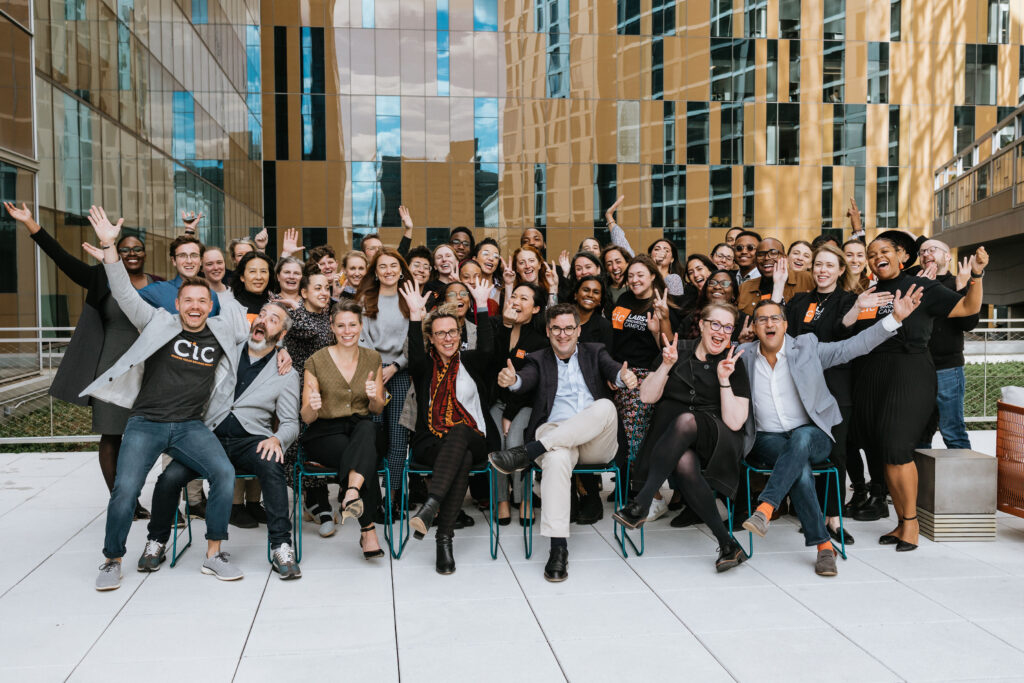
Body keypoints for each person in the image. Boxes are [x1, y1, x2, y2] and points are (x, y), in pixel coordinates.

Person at [81, 206, 252, 591]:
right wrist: (110, 251)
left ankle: (214, 555)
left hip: (191, 427)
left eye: (202, 302)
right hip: (147, 423)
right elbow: (124, 293)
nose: (194, 307)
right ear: (177, 304)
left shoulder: (223, 331)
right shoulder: (157, 321)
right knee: (125, 490)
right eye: (188, 301)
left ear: (211, 306)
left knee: (223, 474)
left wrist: (283, 350)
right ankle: (112, 559)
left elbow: (260, 334)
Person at [738, 292, 920, 576]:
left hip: (813, 436)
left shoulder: (807, 347)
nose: (769, 323)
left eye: (775, 318)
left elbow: (852, 347)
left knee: (799, 442)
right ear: (754, 327)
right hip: (767, 439)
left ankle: (765, 509)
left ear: (786, 325)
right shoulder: (743, 356)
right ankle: (824, 546)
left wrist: (894, 318)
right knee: (797, 467)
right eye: (762, 319)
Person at [4, 201, 163, 520]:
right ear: (118, 250)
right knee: (112, 435)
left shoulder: (160, 285)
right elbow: (61, 259)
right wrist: (31, 225)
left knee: (144, 438)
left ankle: (134, 496)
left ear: (145, 255)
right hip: (111, 369)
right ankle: (123, 502)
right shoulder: (100, 278)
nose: (132, 253)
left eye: (138, 249)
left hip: (148, 372)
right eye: (126, 248)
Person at [141, 302, 301, 579]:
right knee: (170, 476)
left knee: (272, 466)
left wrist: (277, 439)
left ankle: (281, 545)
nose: (263, 321)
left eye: (273, 319)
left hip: (251, 440)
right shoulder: (225, 348)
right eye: (261, 314)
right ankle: (156, 541)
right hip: (207, 438)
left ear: (282, 334)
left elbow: (290, 423)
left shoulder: (287, 373)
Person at [850, 238, 988, 552]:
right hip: (873, 375)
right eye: (872, 255)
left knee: (899, 450)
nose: (876, 257)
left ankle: (911, 523)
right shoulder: (869, 293)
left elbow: (968, 308)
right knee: (885, 452)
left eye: (883, 251)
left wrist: (977, 276)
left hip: (910, 373)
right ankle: (900, 522)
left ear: (901, 256)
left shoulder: (920, 286)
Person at [489, 303, 637, 582]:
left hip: (595, 439)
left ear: (578, 330)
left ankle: (529, 451)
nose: (563, 334)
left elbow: (614, 370)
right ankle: (558, 548)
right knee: (556, 459)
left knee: (605, 406)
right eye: (556, 328)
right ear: (547, 330)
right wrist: (513, 380)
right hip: (556, 435)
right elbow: (525, 380)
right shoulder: (537, 358)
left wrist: (623, 377)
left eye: (569, 328)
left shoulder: (595, 351)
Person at [612, 304, 750, 573]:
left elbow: (735, 422)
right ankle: (728, 544)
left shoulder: (734, 361)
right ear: (701, 325)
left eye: (728, 327)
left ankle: (642, 501)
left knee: (686, 420)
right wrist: (665, 366)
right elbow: (646, 397)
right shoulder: (677, 351)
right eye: (715, 324)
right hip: (674, 442)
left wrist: (724, 379)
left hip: (718, 439)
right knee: (684, 462)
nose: (721, 332)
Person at [400, 277, 496, 575]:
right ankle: (444, 539)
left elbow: (490, 349)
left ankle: (432, 504)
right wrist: (416, 315)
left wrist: (481, 305)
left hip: (476, 436)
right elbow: (414, 353)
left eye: (452, 331)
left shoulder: (471, 361)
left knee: (460, 430)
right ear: (431, 336)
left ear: (459, 332)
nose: (448, 338)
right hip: (431, 443)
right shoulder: (424, 366)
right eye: (440, 333)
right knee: (462, 456)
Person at [783, 244, 874, 544]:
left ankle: (833, 518)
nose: (822, 270)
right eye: (818, 265)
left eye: (829, 265)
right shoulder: (798, 301)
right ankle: (809, 512)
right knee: (804, 451)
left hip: (836, 386)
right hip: (801, 386)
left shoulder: (851, 300)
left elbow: (846, 338)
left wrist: (856, 310)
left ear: (840, 270)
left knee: (836, 453)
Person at [301, 300, 387, 559]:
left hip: (361, 428)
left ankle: (350, 493)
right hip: (324, 433)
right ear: (332, 327)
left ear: (361, 326)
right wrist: (313, 406)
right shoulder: (315, 361)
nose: (347, 331)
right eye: (341, 325)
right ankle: (368, 531)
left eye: (352, 325)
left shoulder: (373, 358)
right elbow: (306, 416)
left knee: (366, 431)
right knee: (365, 459)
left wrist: (374, 397)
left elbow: (377, 410)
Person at [355, 248, 415, 511]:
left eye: (394, 266)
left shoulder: (409, 298)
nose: (389, 270)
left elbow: (416, 338)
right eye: (383, 267)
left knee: (399, 438)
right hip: (371, 374)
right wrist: (380, 369)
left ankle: (393, 496)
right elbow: (360, 338)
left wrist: (396, 366)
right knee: (374, 436)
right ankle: (372, 496)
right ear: (376, 272)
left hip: (402, 374)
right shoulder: (365, 299)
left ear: (401, 270)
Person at [227, 250, 279, 528]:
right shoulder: (230, 304)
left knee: (265, 436)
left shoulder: (275, 305)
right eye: (253, 271)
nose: (258, 276)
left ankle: (253, 502)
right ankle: (234, 506)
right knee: (238, 435)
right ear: (242, 275)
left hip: (268, 381)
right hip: (237, 382)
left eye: (264, 271)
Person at [283, 272, 337, 536]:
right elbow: (309, 333)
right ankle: (318, 501)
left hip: (321, 389)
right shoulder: (297, 316)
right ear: (303, 292)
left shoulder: (325, 317)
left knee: (316, 444)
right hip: (296, 389)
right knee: (299, 445)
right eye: (317, 288)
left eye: (327, 288)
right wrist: (295, 308)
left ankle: (315, 499)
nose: (324, 292)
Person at [490, 283, 548, 525]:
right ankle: (502, 500)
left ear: (535, 308)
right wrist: (504, 326)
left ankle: (524, 498)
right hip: (497, 401)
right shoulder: (497, 328)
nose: (516, 301)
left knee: (514, 442)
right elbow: (492, 365)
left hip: (525, 404)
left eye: (524, 298)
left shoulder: (538, 340)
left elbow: (531, 382)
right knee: (495, 443)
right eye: (513, 296)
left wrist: (510, 415)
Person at [917, 239, 979, 450]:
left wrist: (962, 287)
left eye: (932, 250)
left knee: (952, 431)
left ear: (948, 256)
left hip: (948, 369)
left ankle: (966, 483)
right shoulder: (915, 282)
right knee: (919, 433)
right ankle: (920, 483)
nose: (926, 254)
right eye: (922, 251)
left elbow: (969, 323)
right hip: (918, 368)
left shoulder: (958, 282)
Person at [604, 195, 685, 297]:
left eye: (666, 250)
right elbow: (622, 244)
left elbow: (673, 306)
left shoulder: (673, 279)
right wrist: (609, 216)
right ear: (650, 255)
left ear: (672, 259)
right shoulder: (639, 270)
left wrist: (658, 268)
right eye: (657, 249)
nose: (661, 252)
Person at [138, 234, 222, 317]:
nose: (189, 261)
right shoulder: (157, 291)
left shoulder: (212, 295)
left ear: (201, 260)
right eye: (182, 255)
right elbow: (127, 299)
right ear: (174, 260)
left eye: (194, 255)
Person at [736, 238, 814, 316]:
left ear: (784, 257)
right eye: (761, 255)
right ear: (755, 260)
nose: (766, 258)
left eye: (773, 253)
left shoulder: (806, 279)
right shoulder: (744, 288)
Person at [575, 276, 612, 349]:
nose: (590, 295)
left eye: (596, 292)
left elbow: (605, 358)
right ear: (575, 295)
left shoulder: (604, 326)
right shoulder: (562, 319)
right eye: (586, 290)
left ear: (600, 300)